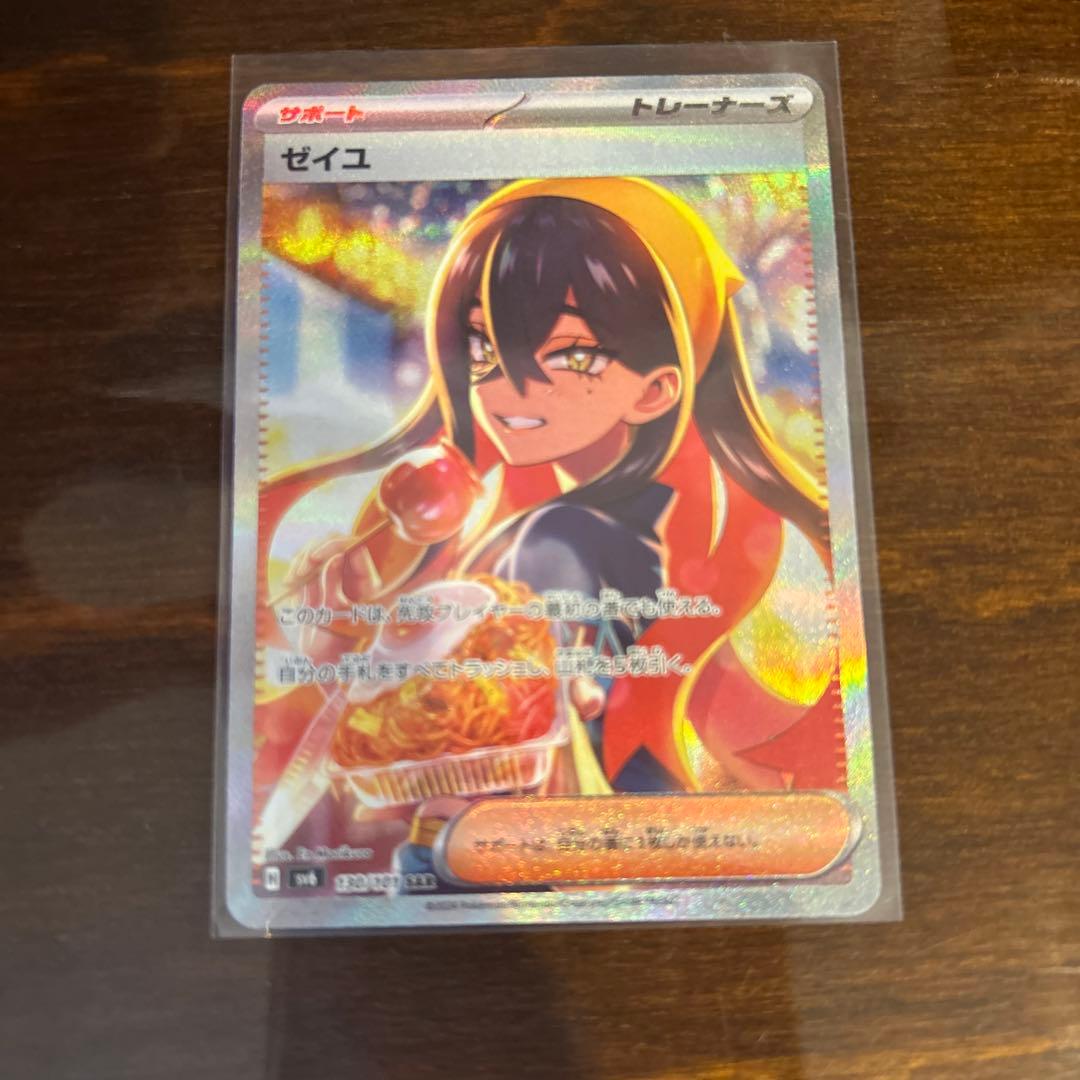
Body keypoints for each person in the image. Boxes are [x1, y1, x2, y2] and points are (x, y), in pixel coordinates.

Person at [260, 178, 842, 798]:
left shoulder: (567, 538)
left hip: (536, 820)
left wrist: (345, 644)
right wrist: (348, 627)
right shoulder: (500, 508)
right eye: (485, 345)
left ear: (656, 389)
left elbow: (461, 735)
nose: (509, 387)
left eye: (573, 355)